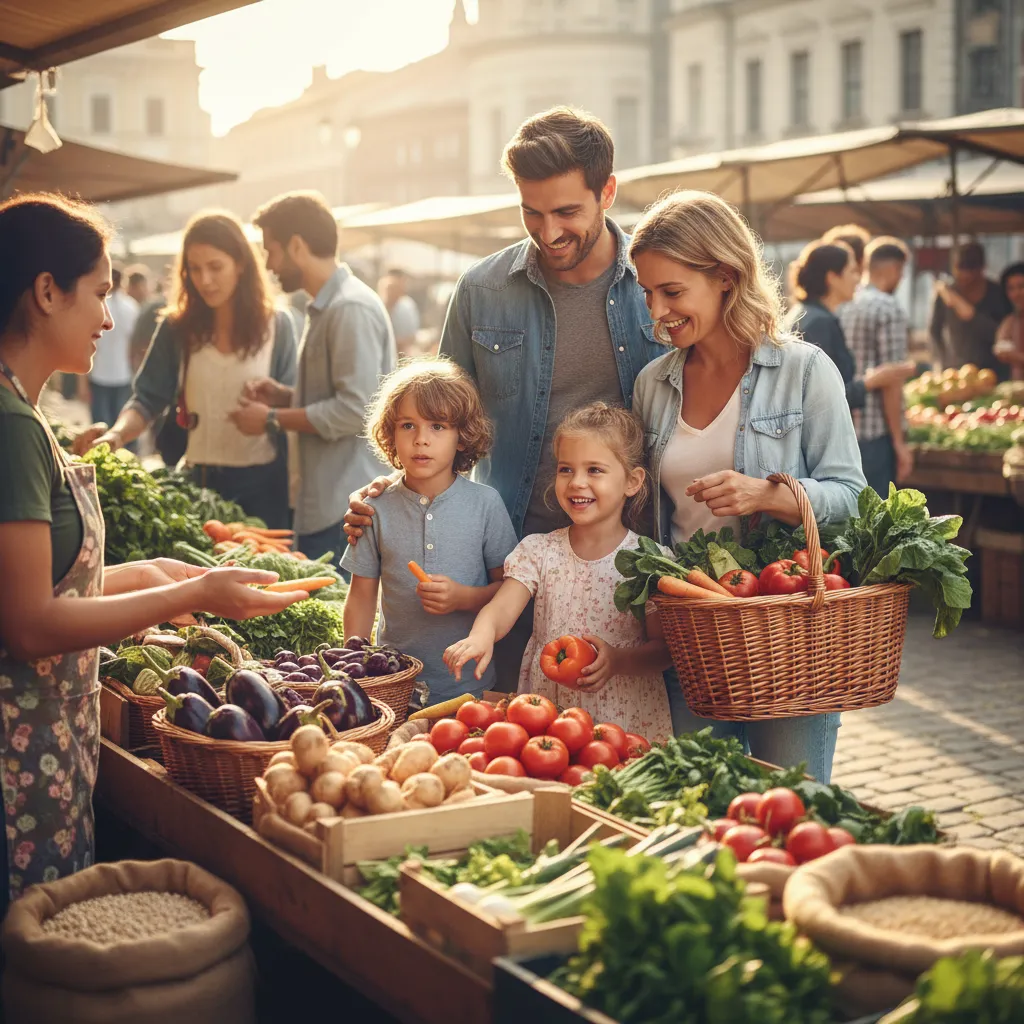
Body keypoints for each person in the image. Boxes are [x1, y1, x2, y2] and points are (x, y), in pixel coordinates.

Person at [0, 193, 311, 914]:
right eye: (101, 295)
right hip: (19, 753)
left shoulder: (24, 415)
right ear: (47, 292)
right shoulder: (13, 427)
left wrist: (150, 574)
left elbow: (37, 586)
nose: (110, 319)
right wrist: (192, 596)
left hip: (41, 741)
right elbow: (28, 625)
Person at [344, 107, 663, 688]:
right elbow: (437, 414)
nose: (548, 232)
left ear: (608, 191)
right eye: (531, 212)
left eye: (567, 211)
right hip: (507, 558)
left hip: (629, 559)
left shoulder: (655, 283)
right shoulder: (481, 290)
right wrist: (393, 485)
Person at [629, 190, 868, 782]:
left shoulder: (805, 370)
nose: (656, 311)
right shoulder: (652, 385)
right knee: (706, 814)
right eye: (648, 293)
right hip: (693, 631)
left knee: (793, 805)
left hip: (786, 632)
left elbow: (853, 497)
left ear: (727, 278)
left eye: (673, 292)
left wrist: (769, 496)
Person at [445, 403, 673, 742]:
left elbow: (664, 650)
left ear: (632, 481)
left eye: (595, 470)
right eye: (566, 469)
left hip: (626, 718)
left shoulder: (651, 561)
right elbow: (500, 609)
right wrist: (480, 636)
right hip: (550, 715)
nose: (577, 482)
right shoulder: (539, 550)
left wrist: (618, 661)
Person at [76, 212, 297, 529]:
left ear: (242, 264)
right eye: (195, 269)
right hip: (197, 483)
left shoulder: (278, 325)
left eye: (215, 267)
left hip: (264, 487)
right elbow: (147, 399)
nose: (205, 279)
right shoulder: (176, 327)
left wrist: (268, 415)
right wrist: (115, 436)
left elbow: (294, 403)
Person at [340, 360, 518, 701]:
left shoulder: (486, 505)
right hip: (392, 686)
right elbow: (361, 595)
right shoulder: (373, 509)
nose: (421, 439)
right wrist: (353, 663)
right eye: (408, 425)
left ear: (462, 438)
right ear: (391, 435)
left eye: (438, 426)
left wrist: (464, 598)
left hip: (468, 688)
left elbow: (509, 588)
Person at [241, 191, 397, 562]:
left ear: (296, 246)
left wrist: (270, 419)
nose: (268, 264)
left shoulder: (348, 308)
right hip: (330, 499)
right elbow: (346, 394)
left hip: (343, 503)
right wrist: (284, 396)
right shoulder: (331, 305)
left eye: (270, 251)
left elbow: (355, 409)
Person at [788, 241, 914, 418]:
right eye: (853, 271)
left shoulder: (805, 313)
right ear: (832, 277)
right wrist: (870, 382)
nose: (858, 278)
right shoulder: (819, 323)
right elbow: (820, 398)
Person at [840, 237, 916, 494]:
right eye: (902, 272)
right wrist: (899, 443)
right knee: (876, 522)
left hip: (844, 430)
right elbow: (891, 382)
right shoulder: (888, 308)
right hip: (875, 435)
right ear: (894, 268)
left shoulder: (843, 303)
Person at [929, 241, 1012, 377]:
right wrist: (942, 363)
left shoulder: (997, 293)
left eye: (970, 272)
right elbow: (934, 331)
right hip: (956, 372)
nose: (965, 277)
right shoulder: (946, 294)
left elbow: (1001, 336)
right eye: (960, 270)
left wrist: (971, 315)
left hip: (994, 372)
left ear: (982, 269)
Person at [84, 264, 138, 431]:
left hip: (99, 374)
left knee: (100, 427)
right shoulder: (132, 307)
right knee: (120, 427)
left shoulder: (96, 305)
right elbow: (134, 346)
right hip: (123, 374)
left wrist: (82, 382)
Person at [378, 268, 421, 358]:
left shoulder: (408, 306)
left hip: (402, 356)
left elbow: (412, 337)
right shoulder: (377, 306)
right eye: (389, 288)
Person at [995, 261, 1024, 381]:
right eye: (1011, 289)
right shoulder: (1011, 321)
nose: (1016, 294)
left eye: (1022, 287)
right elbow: (1000, 345)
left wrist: (1016, 357)